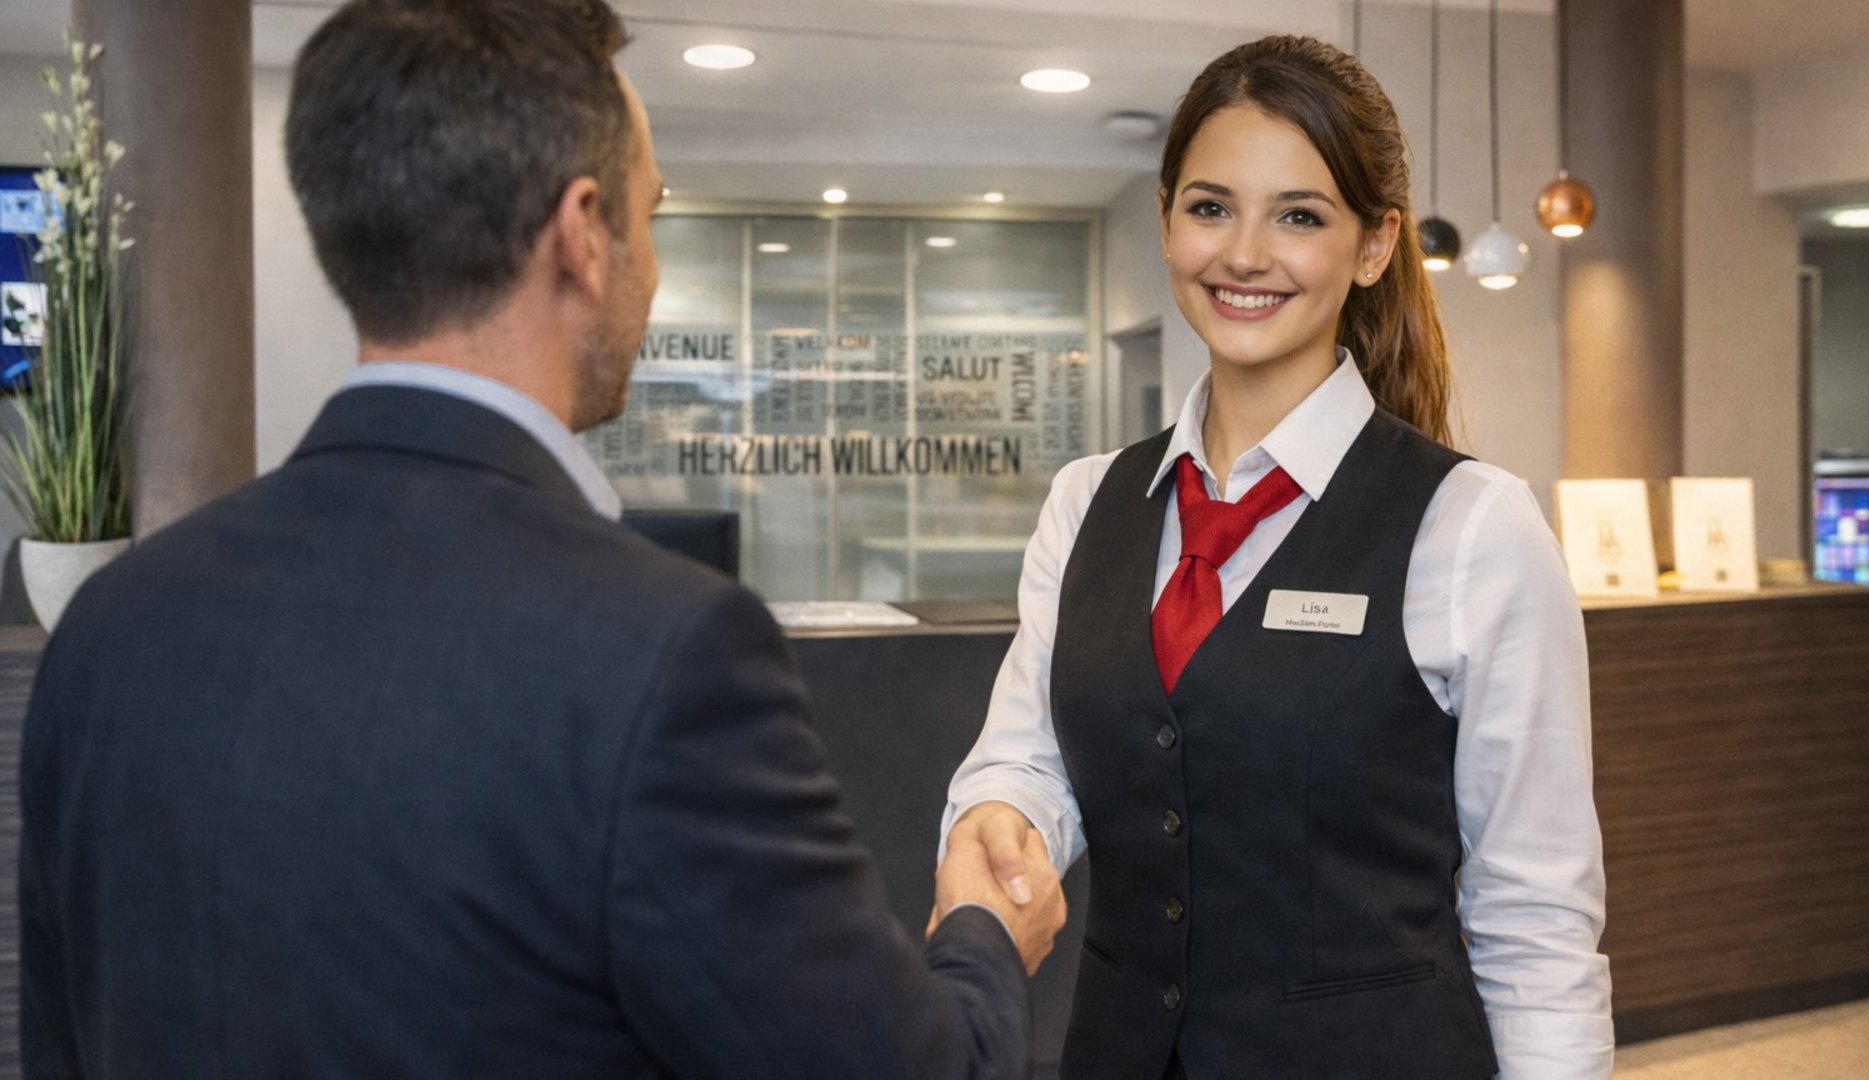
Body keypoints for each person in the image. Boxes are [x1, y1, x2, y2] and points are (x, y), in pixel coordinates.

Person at [17, 2, 1063, 1077]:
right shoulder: (666, 656)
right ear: (580, 235)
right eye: (649, 218)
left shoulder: (113, 625)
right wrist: (986, 935)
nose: (651, 271)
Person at [940, 34, 1611, 1080]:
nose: (1244, 253)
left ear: (1376, 245)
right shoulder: (1086, 505)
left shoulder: (1475, 527)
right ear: (1165, 221)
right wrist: (999, 810)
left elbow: (1536, 918)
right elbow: (1031, 753)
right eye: (1211, 207)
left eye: (1299, 215)